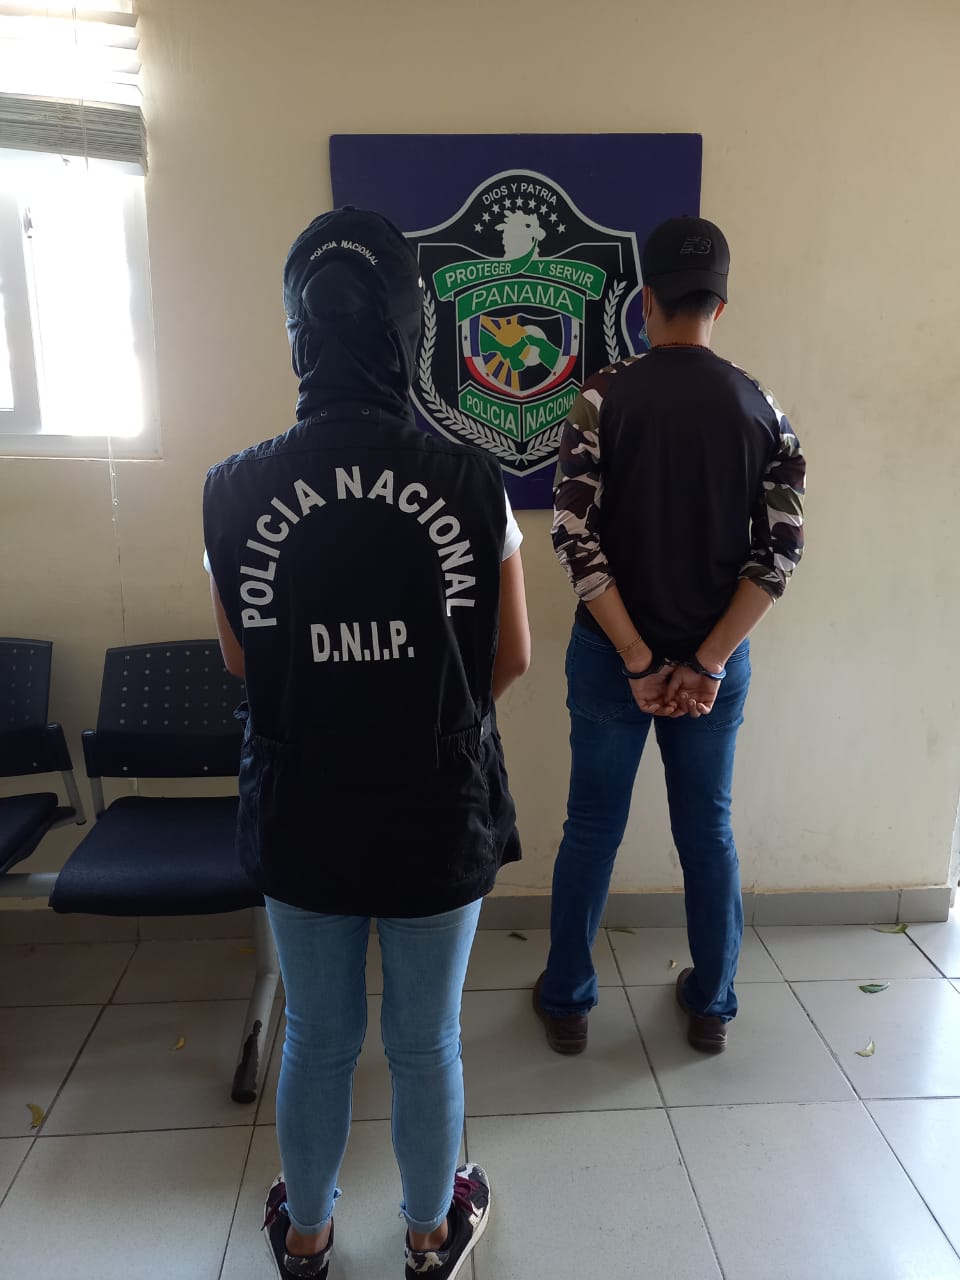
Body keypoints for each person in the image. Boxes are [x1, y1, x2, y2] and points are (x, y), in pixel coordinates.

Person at [203, 208, 530, 1280]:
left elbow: (247, 660)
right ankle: (431, 1236)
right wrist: (420, 707)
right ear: (407, 329)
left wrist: (337, 694)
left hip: (306, 810)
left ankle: (305, 1236)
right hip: (434, 804)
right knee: (425, 1041)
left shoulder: (233, 488)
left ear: (298, 333)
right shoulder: (472, 481)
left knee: (319, 1036)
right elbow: (512, 655)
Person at [535, 215, 805, 1057]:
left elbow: (572, 536)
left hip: (612, 657)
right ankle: (712, 1004)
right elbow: (781, 554)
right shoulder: (762, 407)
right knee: (708, 831)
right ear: (720, 304)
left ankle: (569, 1001)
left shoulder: (601, 398)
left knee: (591, 829)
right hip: (712, 666)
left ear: (645, 299)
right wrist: (708, 662)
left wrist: (638, 659)